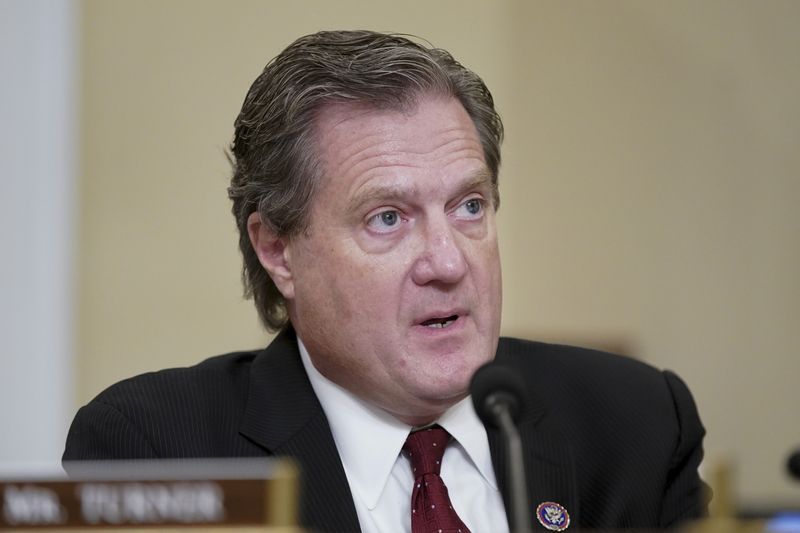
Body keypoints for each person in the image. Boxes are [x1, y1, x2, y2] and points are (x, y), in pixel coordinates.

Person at [64, 30, 708, 532]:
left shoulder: (635, 424)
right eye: (388, 218)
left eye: (469, 207)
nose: (448, 262)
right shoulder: (162, 448)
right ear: (277, 249)